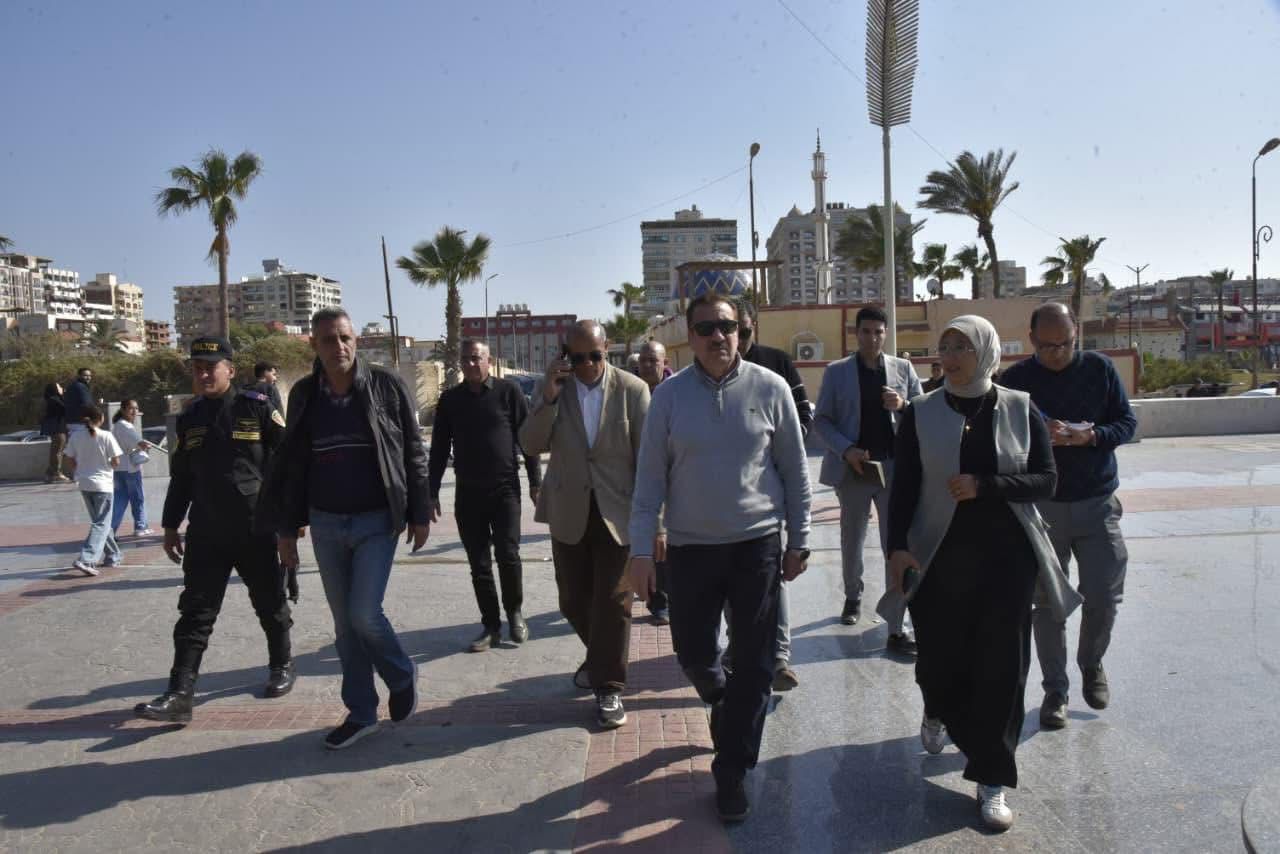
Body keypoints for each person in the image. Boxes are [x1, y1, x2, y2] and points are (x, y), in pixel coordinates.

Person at [886, 315, 1080, 832]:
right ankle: (936, 707)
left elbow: (1045, 479)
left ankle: (992, 777)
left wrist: (985, 485)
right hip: (938, 557)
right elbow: (903, 487)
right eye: (944, 346)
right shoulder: (921, 412)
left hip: (1006, 559)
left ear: (986, 353)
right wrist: (896, 549)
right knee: (938, 661)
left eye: (961, 347)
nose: (948, 357)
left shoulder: (1019, 407)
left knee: (1002, 668)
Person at [628, 293, 811, 823]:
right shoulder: (669, 397)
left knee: (756, 663)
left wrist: (799, 539)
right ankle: (720, 697)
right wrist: (641, 550)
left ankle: (732, 770)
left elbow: (795, 470)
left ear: (740, 331)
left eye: (727, 327)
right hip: (690, 549)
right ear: (690, 336)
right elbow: (649, 481)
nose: (718, 336)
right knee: (693, 653)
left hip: (757, 546)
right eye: (706, 328)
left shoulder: (771, 388)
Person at [264, 308, 430, 750]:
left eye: (344, 338)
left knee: (363, 613)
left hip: (377, 519)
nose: (338, 346)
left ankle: (400, 673)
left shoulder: (385, 385)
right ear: (314, 346)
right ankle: (361, 713)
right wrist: (286, 529)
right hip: (325, 521)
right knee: (344, 627)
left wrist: (419, 510)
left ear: (356, 340)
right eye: (328, 340)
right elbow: (292, 463)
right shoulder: (304, 395)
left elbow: (412, 450)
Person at [134, 336, 294, 725]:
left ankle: (282, 665)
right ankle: (180, 694)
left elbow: (286, 466)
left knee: (270, 603)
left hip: (255, 527)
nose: (204, 374)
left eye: (211, 367)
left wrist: (289, 523)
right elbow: (181, 477)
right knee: (195, 612)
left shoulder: (256, 407)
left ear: (230, 370)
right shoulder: (189, 417)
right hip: (206, 530)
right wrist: (170, 525)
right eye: (197, 368)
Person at [999, 302, 1137, 730]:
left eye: (1065, 344)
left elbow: (1127, 423)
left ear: (1077, 334)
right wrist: (1038, 437)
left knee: (1104, 595)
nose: (1057, 353)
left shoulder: (1100, 369)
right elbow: (999, 437)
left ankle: (1091, 663)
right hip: (1043, 509)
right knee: (1047, 605)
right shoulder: (1015, 382)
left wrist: (1089, 435)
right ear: (1032, 339)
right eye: (1047, 346)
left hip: (1097, 504)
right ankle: (1054, 691)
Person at [519, 320, 650, 729]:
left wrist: (657, 524)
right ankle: (600, 659)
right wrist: (548, 398)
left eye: (595, 355)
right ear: (565, 355)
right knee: (572, 601)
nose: (588, 365)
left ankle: (608, 687)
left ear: (606, 348)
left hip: (618, 513)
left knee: (613, 601)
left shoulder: (632, 390)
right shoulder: (552, 389)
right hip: (568, 510)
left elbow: (649, 462)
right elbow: (530, 443)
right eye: (578, 358)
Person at [811, 306, 922, 652]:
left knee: (896, 543)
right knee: (852, 538)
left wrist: (902, 405)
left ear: (885, 334)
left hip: (893, 468)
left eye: (878, 332)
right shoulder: (837, 372)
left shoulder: (903, 368)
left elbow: (923, 410)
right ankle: (852, 596)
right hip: (855, 468)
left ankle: (896, 619)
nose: (872, 338)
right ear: (855, 333)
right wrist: (846, 450)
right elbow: (821, 420)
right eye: (866, 331)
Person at [429, 339, 542, 652]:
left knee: (508, 554)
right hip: (468, 493)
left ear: (489, 361)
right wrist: (431, 491)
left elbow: (528, 440)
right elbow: (439, 448)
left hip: (505, 490)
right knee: (478, 564)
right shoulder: (450, 400)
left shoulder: (509, 392)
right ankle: (491, 625)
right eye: (465, 359)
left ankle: (515, 613)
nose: (470, 364)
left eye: (476, 358)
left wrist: (535, 482)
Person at [732, 300, 813, 690]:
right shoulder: (704, 377)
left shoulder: (777, 366)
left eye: (743, 331)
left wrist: (782, 447)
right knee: (731, 579)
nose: (735, 339)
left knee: (772, 576)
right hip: (726, 502)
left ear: (754, 329)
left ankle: (779, 658)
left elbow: (804, 416)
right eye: (729, 330)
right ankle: (736, 646)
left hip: (769, 495)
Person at [634, 339, 670, 625]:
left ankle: (662, 601)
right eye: (643, 361)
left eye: (653, 361)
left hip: (672, 478)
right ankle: (655, 598)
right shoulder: (632, 392)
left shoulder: (675, 393)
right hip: (637, 479)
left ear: (664, 363)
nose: (647, 366)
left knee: (663, 542)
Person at [64, 405, 123, 576]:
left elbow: (69, 458)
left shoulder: (75, 436)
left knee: (100, 522)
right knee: (101, 523)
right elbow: (116, 461)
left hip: (84, 484)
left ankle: (113, 555)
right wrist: (106, 466)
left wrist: (79, 470)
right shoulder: (106, 435)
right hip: (103, 485)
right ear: (101, 418)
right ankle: (86, 559)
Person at [110, 399, 154, 537]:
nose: (134, 411)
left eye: (136, 408)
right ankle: (140, 526)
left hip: (119, 468)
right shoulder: (126, 426)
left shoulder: (117, 425)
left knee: (120, 500)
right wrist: (146, 446)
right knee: (137, 498)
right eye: (131, 408)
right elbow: (140, 443)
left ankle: (109, 530)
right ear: (123, 410)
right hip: (130, 468)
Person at [40, 382, 70, 483]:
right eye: (59, 387)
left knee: (56, 451)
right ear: (55, 389)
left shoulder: (52, 399)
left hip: (57, 428)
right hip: (58, 428)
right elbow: (65, 408)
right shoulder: (54, 400)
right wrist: (65, 396)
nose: (61, 388)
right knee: (58, 451)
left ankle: (50, 474)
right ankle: (57, 473)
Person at [64, 368, 94, 435]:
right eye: (85, 375)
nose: (88, 378)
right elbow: (87, 404)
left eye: (90, 376)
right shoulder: (81, 387)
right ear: (79, 376)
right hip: (79, 423)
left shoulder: (72, 386)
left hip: (71, 422)